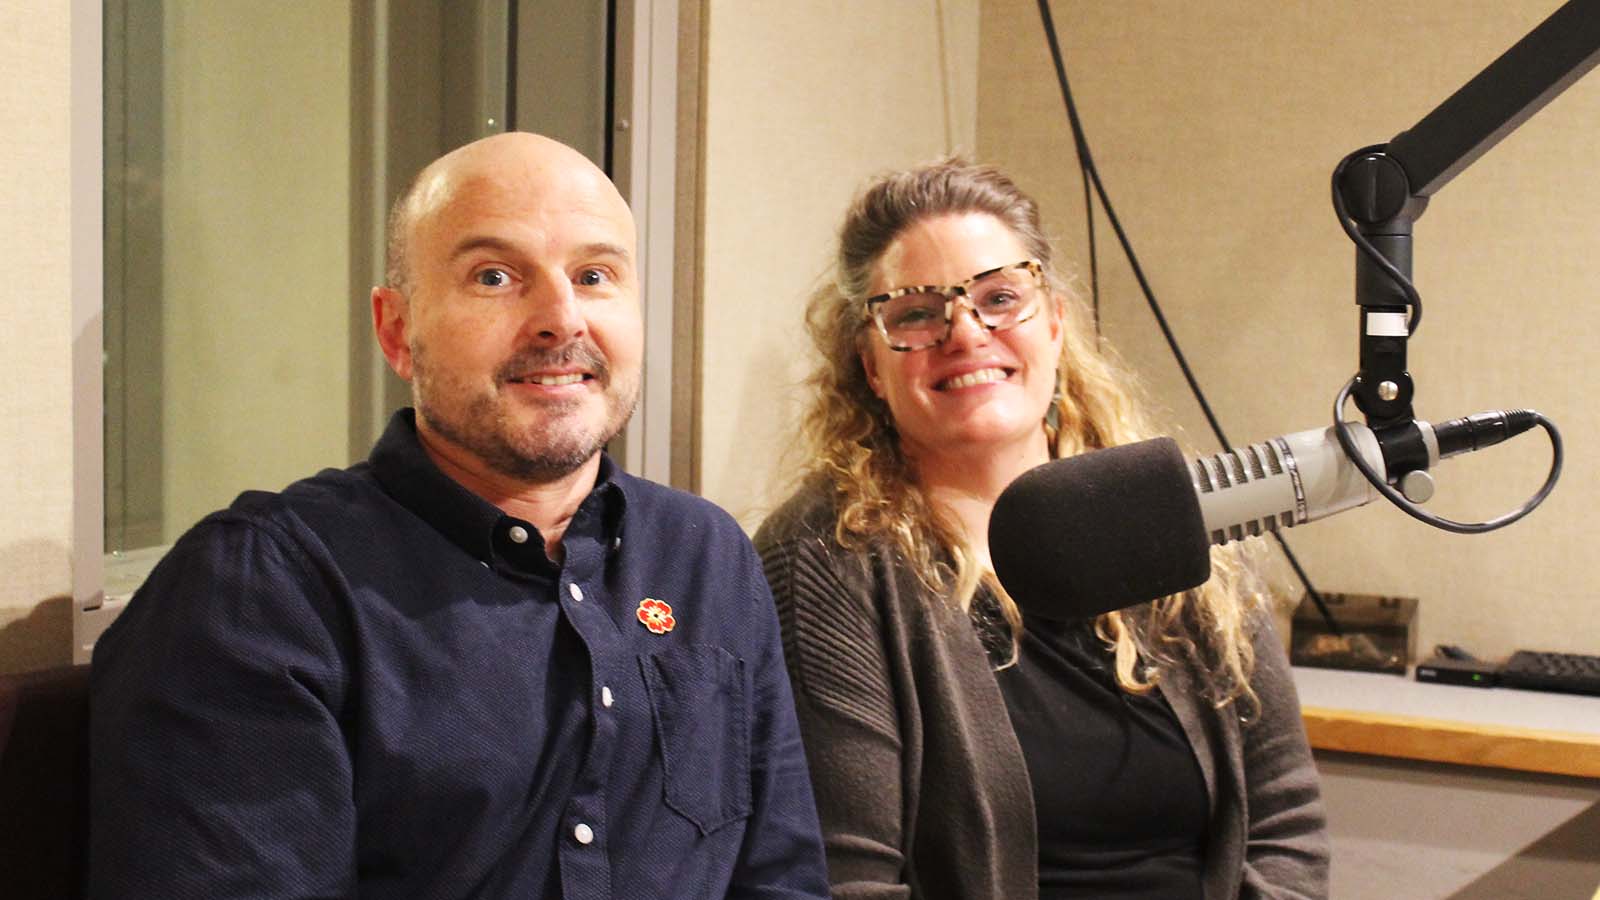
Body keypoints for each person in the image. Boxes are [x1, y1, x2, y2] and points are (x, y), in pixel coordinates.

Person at [89, 132, 829, 900]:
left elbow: (780, 878)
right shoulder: (263, 593)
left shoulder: (704, 555)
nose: (560, 318)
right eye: (496, 276)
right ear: (396, 331)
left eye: (595, 275)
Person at [754, 159, 1329, 900]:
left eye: (1000, 297)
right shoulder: (826, 561)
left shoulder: (1167, 511)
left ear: (1055, 325)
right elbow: (852, 881)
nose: (965, 332)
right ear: (870, 364)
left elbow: (1286, 822)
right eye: (917, 312)